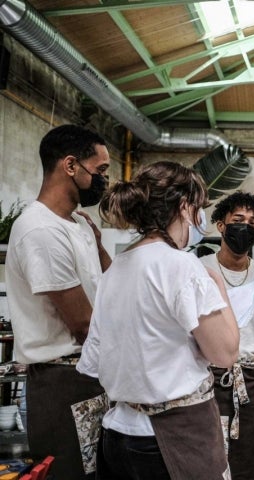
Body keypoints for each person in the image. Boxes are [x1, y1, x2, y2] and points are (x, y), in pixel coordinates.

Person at [76, 161, 239, 479]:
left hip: (117, 433)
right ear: (184, 206)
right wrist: (217, 285)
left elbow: (95, 361)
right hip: (172, 437)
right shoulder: (181, 265)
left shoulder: (117, 268)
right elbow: (225, 353)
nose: (201, 217)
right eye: (200, 207)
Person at [6, 124, 111, 479]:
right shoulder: (41, 230)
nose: (104, 181)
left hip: (89, 374)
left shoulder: (77, 225)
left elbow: (112, 288)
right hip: (62, 381)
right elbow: (83, 324)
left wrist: (97, 246)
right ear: (70, 166)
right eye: (100, 171)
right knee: (70, 472)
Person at [200, 191, 254, 480]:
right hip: (204, 377)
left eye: (253, 222)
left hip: (248, 379)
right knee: (207, 456)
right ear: (221, 225)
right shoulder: (199, 270)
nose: (245, 226)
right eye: (238, 220)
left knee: (249, 456)